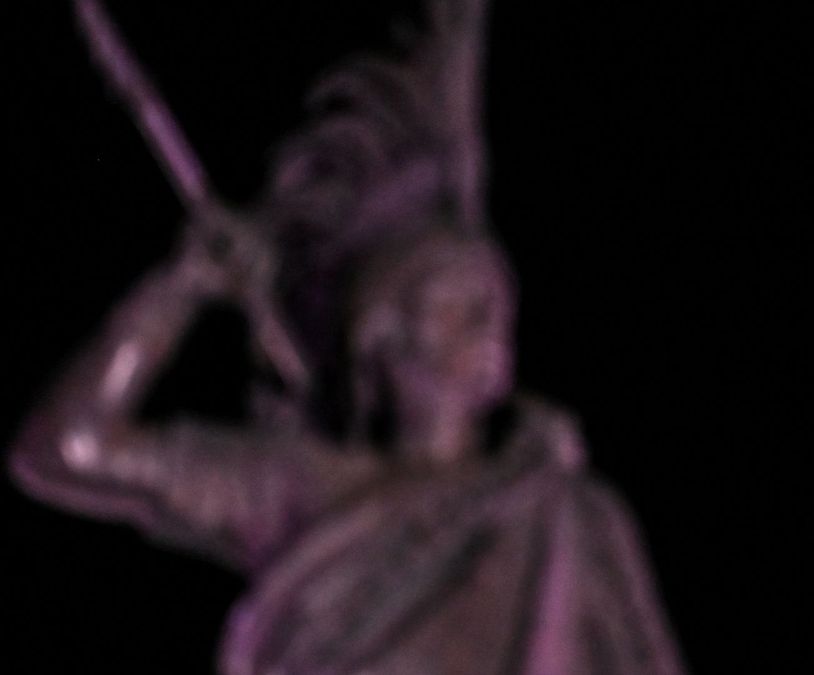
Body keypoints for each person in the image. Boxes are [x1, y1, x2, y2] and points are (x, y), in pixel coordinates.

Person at [8, 1, 687, 673]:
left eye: (496, 304)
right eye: (458, 303)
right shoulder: (298, 487)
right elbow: (69, 448)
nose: (490, 326)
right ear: (381, 337)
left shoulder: (566, 517)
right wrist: (180, 288)